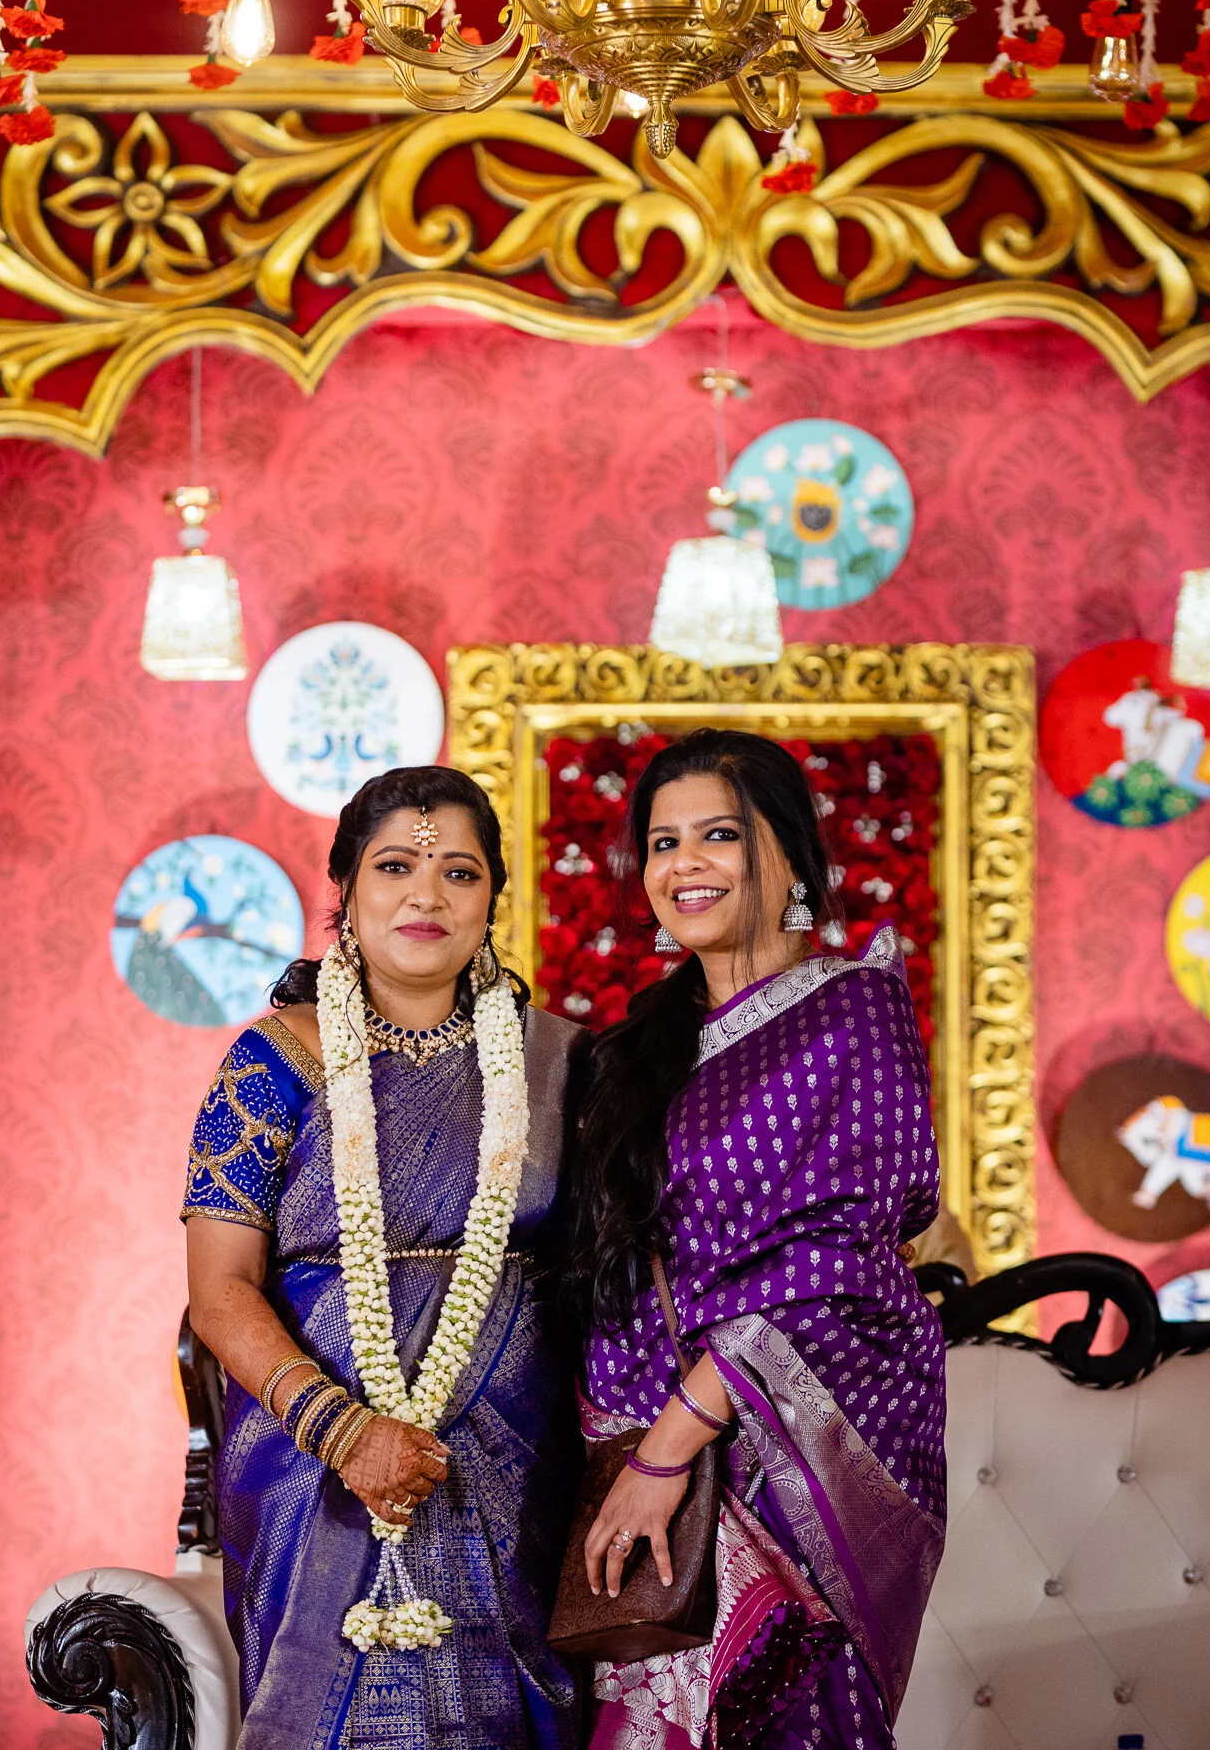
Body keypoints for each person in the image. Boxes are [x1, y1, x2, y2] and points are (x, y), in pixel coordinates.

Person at [182, 767, 582, 1750]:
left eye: (459, 870)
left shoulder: (560, 1064)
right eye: (395, 865)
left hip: (516, 1467)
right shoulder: (273, 1058)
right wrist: (342, 1431)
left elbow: (602, 1275)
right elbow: (217, 1287)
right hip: (313, 1468)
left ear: (492, 898)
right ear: (345, 894)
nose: (426, 893)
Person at [564, 729, 946, 1749]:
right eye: (661, 841)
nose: (682, 862)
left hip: (789, 1453)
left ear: (787, 855)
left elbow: (838, 1261)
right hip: (638, 1457)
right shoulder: (640, 1043)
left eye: (717, 835)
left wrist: (669, 1446)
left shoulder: (852, 1013)